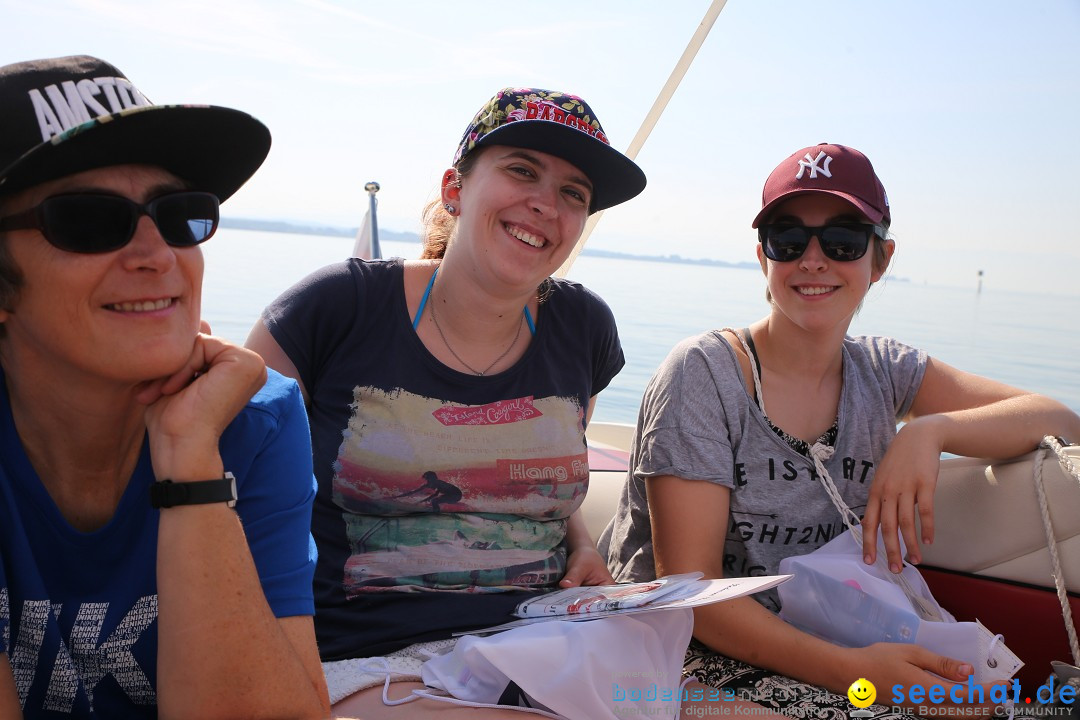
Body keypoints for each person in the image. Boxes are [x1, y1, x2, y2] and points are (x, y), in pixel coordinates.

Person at [599, 143, 1080, 717]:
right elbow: (695, 595)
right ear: (763, 257)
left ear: (881, 259)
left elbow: (1058, 420)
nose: (814, 259)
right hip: (670, 647)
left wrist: (928, 433)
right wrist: (861, 674)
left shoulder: (884, 372)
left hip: (823, 635)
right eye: (788, 238)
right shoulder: (704, 374)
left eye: (845, 240)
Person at [245, 87, 665, 717]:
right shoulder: (333, 311)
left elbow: (539, 473)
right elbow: (236, 498)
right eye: (522, 170)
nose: (546, 203)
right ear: (454, 189)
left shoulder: (583, 327)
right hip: (364, 661)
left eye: (574, 193)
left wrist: (581, 544)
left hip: (541, 642)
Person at [0, 56, 330, 718]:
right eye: (87, 220)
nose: (156, 253)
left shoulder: (252, 419)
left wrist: (190, 459)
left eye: (180, 214)